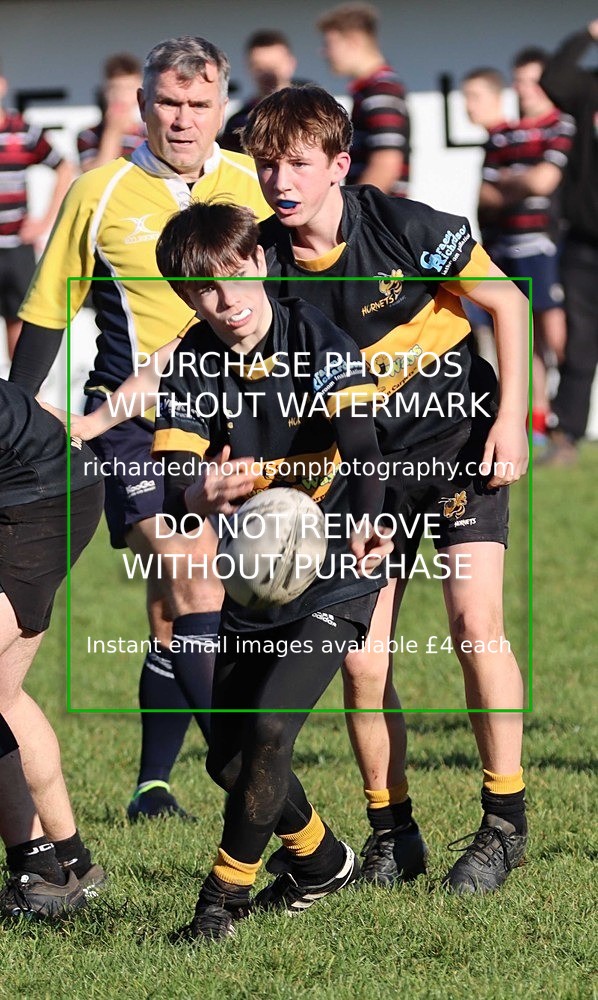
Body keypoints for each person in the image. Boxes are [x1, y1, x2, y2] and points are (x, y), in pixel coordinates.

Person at [241, 85, 529, 893]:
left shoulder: (406, 227)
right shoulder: (261, 264)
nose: (280, 180)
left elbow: (508, 304)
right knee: (363, 663)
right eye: (266, 165)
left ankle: (504, 823)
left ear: (339, 165)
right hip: (365, 473)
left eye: (297, 163)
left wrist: (513, 420)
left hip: (459, 441)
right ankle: (391, 834)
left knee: (476, 624)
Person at [9, 36, 271, 823]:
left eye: (199, 105)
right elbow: (49, 310)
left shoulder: (259, 187)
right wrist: (19, 422)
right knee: (190, 570)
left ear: (223, 104)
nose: (183, 120)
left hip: (236, 418)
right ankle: (247, 774)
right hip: (132, 424)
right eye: (168, 103)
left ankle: (153, 782)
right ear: (141, 103)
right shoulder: (99, 191)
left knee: (173, 608)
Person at [152, 200, 391, 942]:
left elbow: (362, 441)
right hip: (255, 580)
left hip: (338, 568)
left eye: (237, 278)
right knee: (227, 758)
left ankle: (218, 903)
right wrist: (198, 491)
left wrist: (370, 517)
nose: (229, 304)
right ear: (189, 300)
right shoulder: (193, 359)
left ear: (260, 263)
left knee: (269, 725)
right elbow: (174, 486)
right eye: (205, 293)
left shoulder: (313, 333)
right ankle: (321, 862)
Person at [0, 379, 105, 917]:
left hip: (43, 497)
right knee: (3, 698)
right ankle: (66, 863)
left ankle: (40, 869)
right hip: (40, 485)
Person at [478, 49, 574, 446]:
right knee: (523, 338)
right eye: (519, 81)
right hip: (505, 247)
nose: (525, 90)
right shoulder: (503, 133)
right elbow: (486, 194)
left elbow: (544, 183)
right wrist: (522, 180)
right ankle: (537, 425)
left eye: (533, 81)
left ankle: (568, 410)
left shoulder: (561, 124)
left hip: (546, 246)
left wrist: (511, 181)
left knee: (557, 335)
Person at [539, 20, 598, 465]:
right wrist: (588, 35)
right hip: (584, 243)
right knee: (579, 343)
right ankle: (567, 439)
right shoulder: (587, 89)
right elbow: (553, 78)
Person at [0, 63, 73, 359]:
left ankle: (17, 401)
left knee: (19, 325)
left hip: (17, 248)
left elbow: (64, 166)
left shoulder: (24, 132)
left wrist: (44, 221)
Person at [316, 2, 410, 196]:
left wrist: (353, 213)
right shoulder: (370, 89)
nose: (324, 52)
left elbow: (387, 163)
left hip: (378, 219)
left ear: (354, 41)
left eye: (330, 44)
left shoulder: (381, 90)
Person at [460, 67, 508, 371]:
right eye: (466, 97)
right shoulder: (493, 141)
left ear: (497, 97)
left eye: (475, 96)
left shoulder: (508, 140)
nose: (468, 105)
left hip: (512, 251)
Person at [219, 31, 299, 154]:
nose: (267, 74)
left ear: (291, 64)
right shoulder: (239, 122)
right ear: (248, 67)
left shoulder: (315, 112)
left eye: (274, 66)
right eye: (259, 67)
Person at [77, 52, 146, 172]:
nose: (121, 96)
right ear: (105, 92)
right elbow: (96, 175)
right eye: (115, 88)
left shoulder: (149, 134)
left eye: (129, 88)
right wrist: (112, 132)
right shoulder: (89, 136)